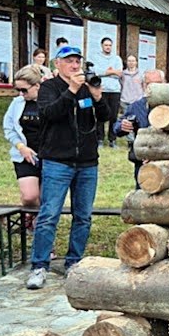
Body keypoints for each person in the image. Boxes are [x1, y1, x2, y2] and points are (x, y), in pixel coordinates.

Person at [25, 46, 106, 290]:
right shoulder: (49, 87)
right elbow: (50, 114)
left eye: (77, 61)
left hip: (87, 162)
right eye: (69, 61)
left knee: (83, 216)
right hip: (57, 161)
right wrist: (71, 90)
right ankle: (39, 266)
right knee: (49, 215)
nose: (75, 66)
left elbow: (105, 116)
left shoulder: (86, 87)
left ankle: (74, 261)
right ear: (57, 64)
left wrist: (98, 97)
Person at [4, 65, 44, 212]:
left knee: (45, 197)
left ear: (37, 86)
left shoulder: (49, 102)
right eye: (18, 90)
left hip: (49, 154)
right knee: (29, 196)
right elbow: (9, 128)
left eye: (24, 90)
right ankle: (30, 215)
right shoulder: (17, 103)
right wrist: (21, 147)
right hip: (25, 155)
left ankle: (38, 221)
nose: (21, 93)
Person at [115, 69, 165, 187]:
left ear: (164, 83)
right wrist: (122, 126)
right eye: (149, 84)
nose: (153, 87)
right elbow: (117, 128)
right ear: (143, 86)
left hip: (167, 161)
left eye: (158, 83)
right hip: (142, 162)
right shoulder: (136, 106)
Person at [94, 37, 123, 148]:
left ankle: (112, 139)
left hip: (115, 90)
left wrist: (106, 72)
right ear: (102, 46)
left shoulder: (117, 59)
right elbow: (96, 72)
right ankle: (100, 139)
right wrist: (111, 71)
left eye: (110, 45)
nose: (108, 47)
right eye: (106, 45)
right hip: (102, 89)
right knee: (100, 115)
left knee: (113, 116)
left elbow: (119, 74)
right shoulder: (96, 57)